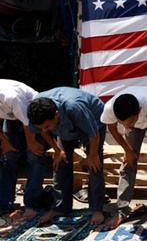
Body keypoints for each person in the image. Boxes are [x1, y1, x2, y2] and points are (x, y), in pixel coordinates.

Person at [27, 87, 106, 225]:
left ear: (57, 114)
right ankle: (60, 207)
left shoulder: (73, 106)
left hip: (93, 121)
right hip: (64, 129)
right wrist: (57, 151)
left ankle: (96, 209)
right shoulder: (36, 110)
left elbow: (93, 133)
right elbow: (43, 131)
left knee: (94, 165)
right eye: (42, 127)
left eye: (47, 126)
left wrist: (92, 155)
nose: (44, 130)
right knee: (60, 163)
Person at [100, 86, 147, 230]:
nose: (126, 126)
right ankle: (121, 210)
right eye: (122, 123)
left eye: (130, 121)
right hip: (138, 121)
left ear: (140, 109)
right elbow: (112, 128)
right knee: (128, 164)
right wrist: (127, 150)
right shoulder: (110, 107)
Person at [0, 79, 48, 221]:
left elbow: (28, 123)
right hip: (11, 117)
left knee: (34, 157)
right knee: (9, 158)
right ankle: (4, 203)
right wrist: (5, 143)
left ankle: (31, 205)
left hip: (32, 116)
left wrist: (31, 143)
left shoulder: (11, 96)